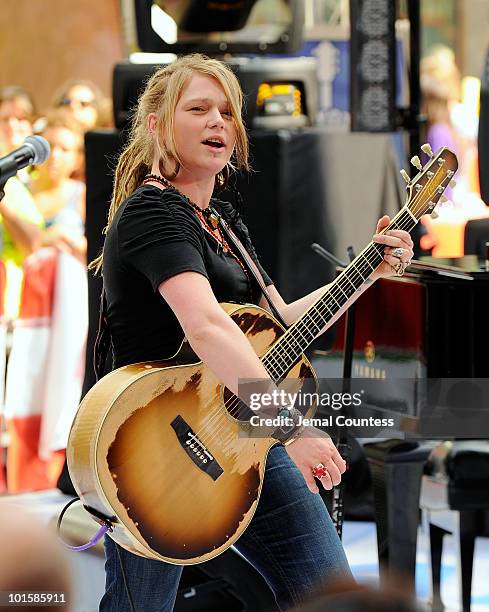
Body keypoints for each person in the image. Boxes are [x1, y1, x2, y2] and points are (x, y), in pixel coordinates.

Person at [91, 54, 414, 611]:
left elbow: (282, 324)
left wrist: (369, 270)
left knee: (329, 593)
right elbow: (209, 326)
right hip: (151, 448)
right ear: (155, 124)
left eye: (226, 112)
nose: (218, 121)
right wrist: (291, 428)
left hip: (246, 430)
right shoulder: (153, 213)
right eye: (198, 109)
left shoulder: (220, 221)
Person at [0, 87, 43, 319]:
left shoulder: (43, 177)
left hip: (30, 299)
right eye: (5, 118)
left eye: (20, 118)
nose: (12, 125)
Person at [30, 109, 86, 261]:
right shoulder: (18, 189)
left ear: (77, 160)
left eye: (64, 150)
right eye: (49, 146)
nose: (54, 155)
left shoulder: (82, 194)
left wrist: (75, 242)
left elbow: (99, 249)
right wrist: (46, 237)